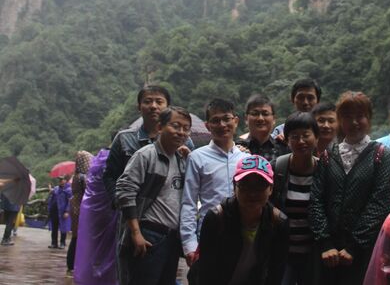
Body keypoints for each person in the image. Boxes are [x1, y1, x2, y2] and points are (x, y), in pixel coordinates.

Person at [309, 91, 390, 285]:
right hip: (327, 254)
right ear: (340, 120)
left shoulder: (382, 156)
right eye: (348, 116)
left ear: (369, 119)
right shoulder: (328, 155)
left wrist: (354, 246)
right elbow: (316, 199)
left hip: (365, 252)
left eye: (360, 116)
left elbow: (380, 204)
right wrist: (325, 243)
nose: (354, 122)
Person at [115, 106, 192, 285]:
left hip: (171, 238)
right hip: (149, 234)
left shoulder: (181, 159)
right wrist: (136, 233)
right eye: (175, 126)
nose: (181, 132)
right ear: (159, 127)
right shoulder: (146, 155)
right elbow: (125, 191)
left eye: (186, 128)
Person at [193, 155, 289, 285]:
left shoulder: (278, 222)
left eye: (260, 186)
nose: (252, 193)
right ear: (234, 186)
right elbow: (205, 272)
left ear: (271, 189)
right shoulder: (216, 218)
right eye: (245, 185)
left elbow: (275, 273)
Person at [181, 98, 249, 266]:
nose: (222, 124)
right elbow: (189, 202)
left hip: (242, 233)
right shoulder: (197, 158)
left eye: (226, 119)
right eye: (215, 120)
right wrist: (190, 245)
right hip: (208, 233)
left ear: (236, 121)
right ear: (207, 125)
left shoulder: (246, 159)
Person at [103, 85, 194, 205]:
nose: (153, 106)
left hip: (170, 209)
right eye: (147, 101)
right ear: (139, 107)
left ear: (167, 107)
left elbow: (191, 178)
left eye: (159, 102)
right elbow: (110, 175)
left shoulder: (183, 140)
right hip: (132, 208)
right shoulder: (124, 138)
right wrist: (118, 201)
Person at [270, 112, 319, 285]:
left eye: (306, 135)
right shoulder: (278, 168)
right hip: (283, 253)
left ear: (316, 137)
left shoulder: (324, 170)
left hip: (314, 254)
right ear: (287, 140)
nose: (301, 141)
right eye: (294, 136)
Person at [74, 149, 118, 285]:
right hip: (108, 213)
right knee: (106, 249)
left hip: (88, 213)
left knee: (90, 247)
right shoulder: (111, 164)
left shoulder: (93, 168)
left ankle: (90, 276)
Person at [236, 94, 289, 162]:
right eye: (255, 114)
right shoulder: (237, 149)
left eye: (265, 114)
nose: (260, 118)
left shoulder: (284, 148)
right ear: (246, 118)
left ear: (274, 119)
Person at [67, 150, 94, 273]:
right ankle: (74, 265)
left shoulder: (76, 175)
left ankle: (71, 265)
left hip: (75, 207)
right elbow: (89, 191)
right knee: (78, 238)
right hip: (81, 209)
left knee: (75, 236)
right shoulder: (83, 177)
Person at [48, 175, 72, 249]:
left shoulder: (69, 190)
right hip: (55, 211)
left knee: (63, 228)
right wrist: (50, 190)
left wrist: (67, 211)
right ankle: (54, 243)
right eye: (60, 180)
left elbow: (70, 202)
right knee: (54, 227)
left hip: (62, 211)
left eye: (62, 179)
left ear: (66, 180)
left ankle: (62, 243)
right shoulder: (56, 188)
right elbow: (52, 196)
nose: (61, 181)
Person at [0, 181, 19, 246]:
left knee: (8, 222)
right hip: (13, 206)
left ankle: (7, 238)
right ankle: (5, 239)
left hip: (6, 205)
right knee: (10, 223)